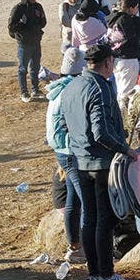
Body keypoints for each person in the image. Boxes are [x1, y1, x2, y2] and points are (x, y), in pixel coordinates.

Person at [59, 43, 139, 280]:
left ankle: (94, 275)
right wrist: (126, 150)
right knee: (105, 220)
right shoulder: (99, 88)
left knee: (90, 218)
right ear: (107, 63)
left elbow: (64, 123)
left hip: (79, 160)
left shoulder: (72, 86)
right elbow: (101, 131)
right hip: (101, 163)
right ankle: (106, 275)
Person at [46, 47, 86, 263]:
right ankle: (90, 250)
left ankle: (75, 247)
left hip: (60, 150)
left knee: (74, 199)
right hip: (72, 150)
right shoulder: (74, 91)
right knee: (87, 201)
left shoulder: (57, 89)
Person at [8, 0, 46, 102]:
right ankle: (24, 92)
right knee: (23, 68)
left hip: (36, 42)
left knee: (35, 67)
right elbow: (11, 27)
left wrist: (39, 18)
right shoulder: (18, 9)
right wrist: (21, 23)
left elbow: (44, 23)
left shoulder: (38, 7)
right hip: (24, 44)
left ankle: (35, 89)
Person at [106, 0, 140, 111]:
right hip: (128, 58)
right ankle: (124, 117)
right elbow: (132, 36)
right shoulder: (125, 20)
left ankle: (120, 114)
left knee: (121, 89)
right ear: (131, 8)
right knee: (127, 92)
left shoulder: (114, 19)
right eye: (136, 7)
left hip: (116, 58)